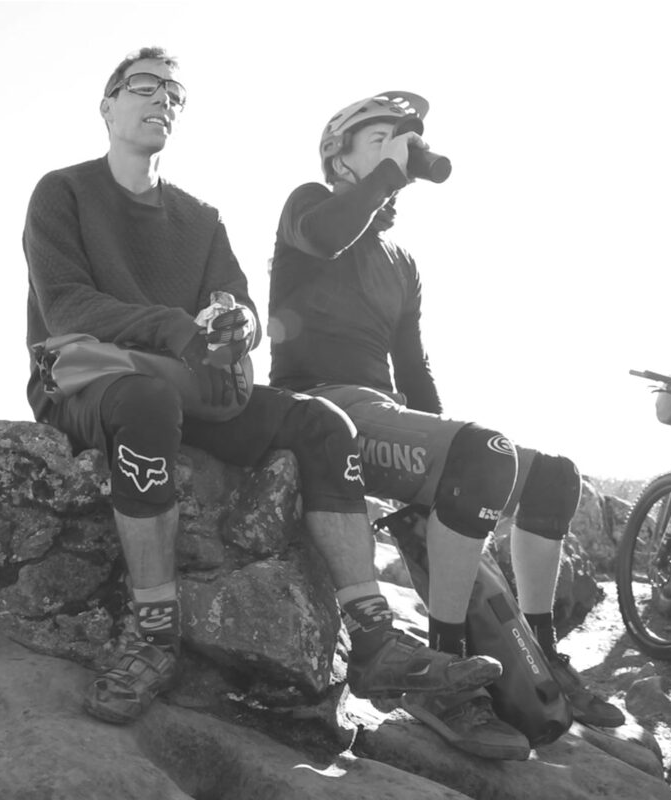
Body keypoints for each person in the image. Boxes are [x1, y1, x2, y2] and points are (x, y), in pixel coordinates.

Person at [23, 54, 503, 727]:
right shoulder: (63, 192)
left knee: (324, 422)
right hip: (86, 380)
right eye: (144, 86)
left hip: (187, 382)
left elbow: (242, 304)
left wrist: (236, 326)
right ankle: (153, 635)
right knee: (149, 403)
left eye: (174, 93)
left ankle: (373, 641)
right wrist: (172, 326)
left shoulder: (201, 217)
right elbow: (67, 305)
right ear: (107, 107)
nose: (162, 99)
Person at [267, 91, 626, 757]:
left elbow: (413, 366)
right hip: (323, 408)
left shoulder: (401, 262)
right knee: (482, 455)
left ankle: (541, 655)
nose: (399, 152)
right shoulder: (307, 207)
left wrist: (447, 462)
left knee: (552, 476)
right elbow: (324, 235)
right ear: (339, 159)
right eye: (379, 140)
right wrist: (389, 173)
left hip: (387, 413)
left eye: (405, 141)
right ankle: (444, 677)